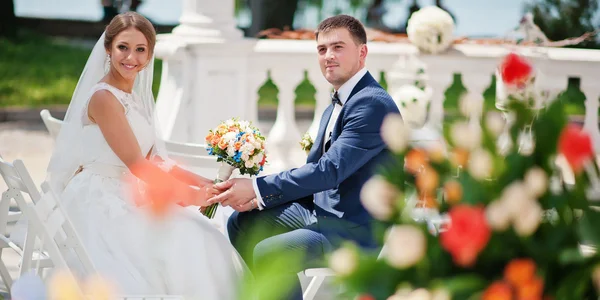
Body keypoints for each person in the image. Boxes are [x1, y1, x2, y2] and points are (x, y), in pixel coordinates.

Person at [43, 12, 246, 298]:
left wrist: (206, 185)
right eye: (123, 47)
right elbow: (138, 166)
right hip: (102, 200)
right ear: (108, 49)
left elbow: (156, 161)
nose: (131, 57)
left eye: (141, 49)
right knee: (192, 239)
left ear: (150, 55)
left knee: (203, 234)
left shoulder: (133, 96)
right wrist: (192, 198)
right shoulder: (104, 98)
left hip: (125, 191)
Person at [208, 15, 401, 299]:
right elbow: (315, 171)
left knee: (269, 252)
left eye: (338, 47)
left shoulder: (371, 103)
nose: (328, 56)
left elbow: (328, 171)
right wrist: (258, 198)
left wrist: (259, 188)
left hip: (354, 229)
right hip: (319, 212)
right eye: (322, 49)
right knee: (241, 223)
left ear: (362, 52)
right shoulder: (337, 103)